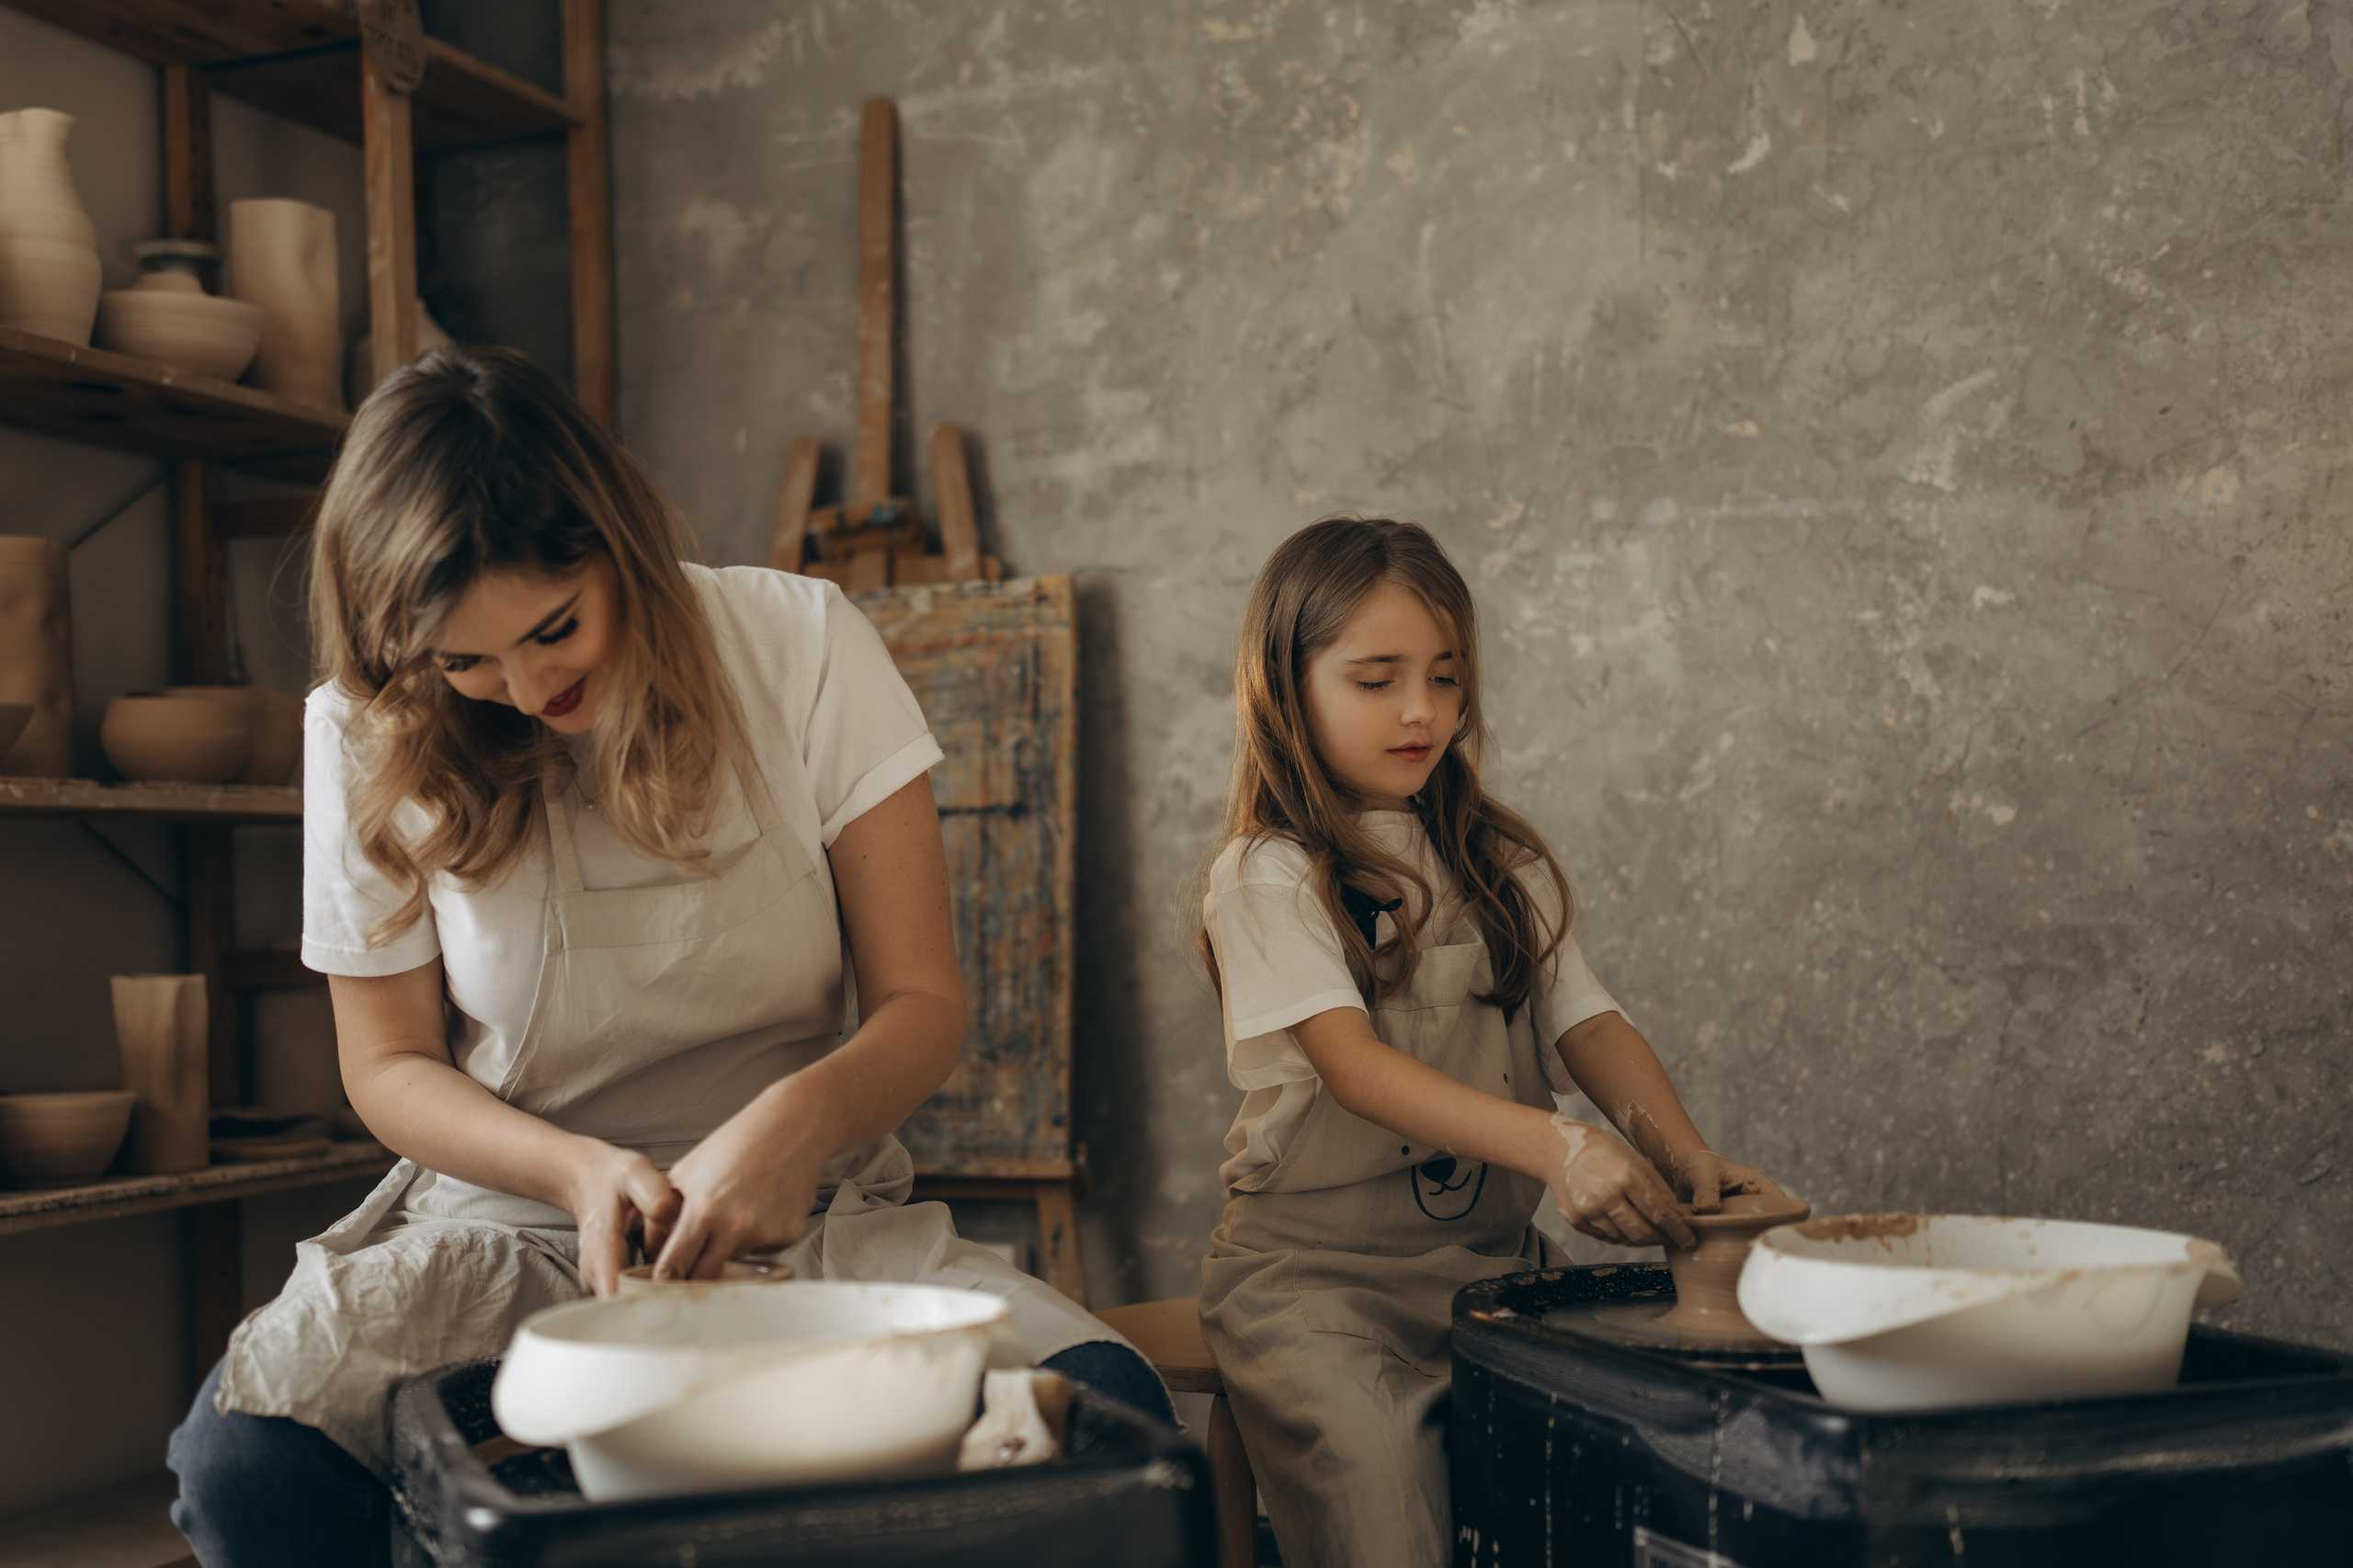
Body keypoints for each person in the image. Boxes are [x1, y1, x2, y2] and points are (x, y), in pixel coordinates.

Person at [166, 346, 1166, 1566]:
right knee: (247, 1463)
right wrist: (583, 1176)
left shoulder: (801, 642)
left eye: (554, 628)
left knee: (1114, 1424)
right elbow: (386, 1067)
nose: (526, 689)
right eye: (465, 661)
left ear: (621, 544)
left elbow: (922, 1001)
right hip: (509, 1222)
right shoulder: (363, 722)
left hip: (809, 1218)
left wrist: (792, 1131)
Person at [1194, 517, 1783, 1568]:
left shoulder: (1493, 857)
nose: (1421, 710)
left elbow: (1586, 1020)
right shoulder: (1269, 872)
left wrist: (1678, 1151)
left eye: (1445, 676)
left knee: (1599, 1492)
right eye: (1375, 679)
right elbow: (1354, 1068)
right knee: (1391, 1518)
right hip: (1318, 1285)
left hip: (1489, 1270)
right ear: (1287, 687)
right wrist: (1559, 1147)